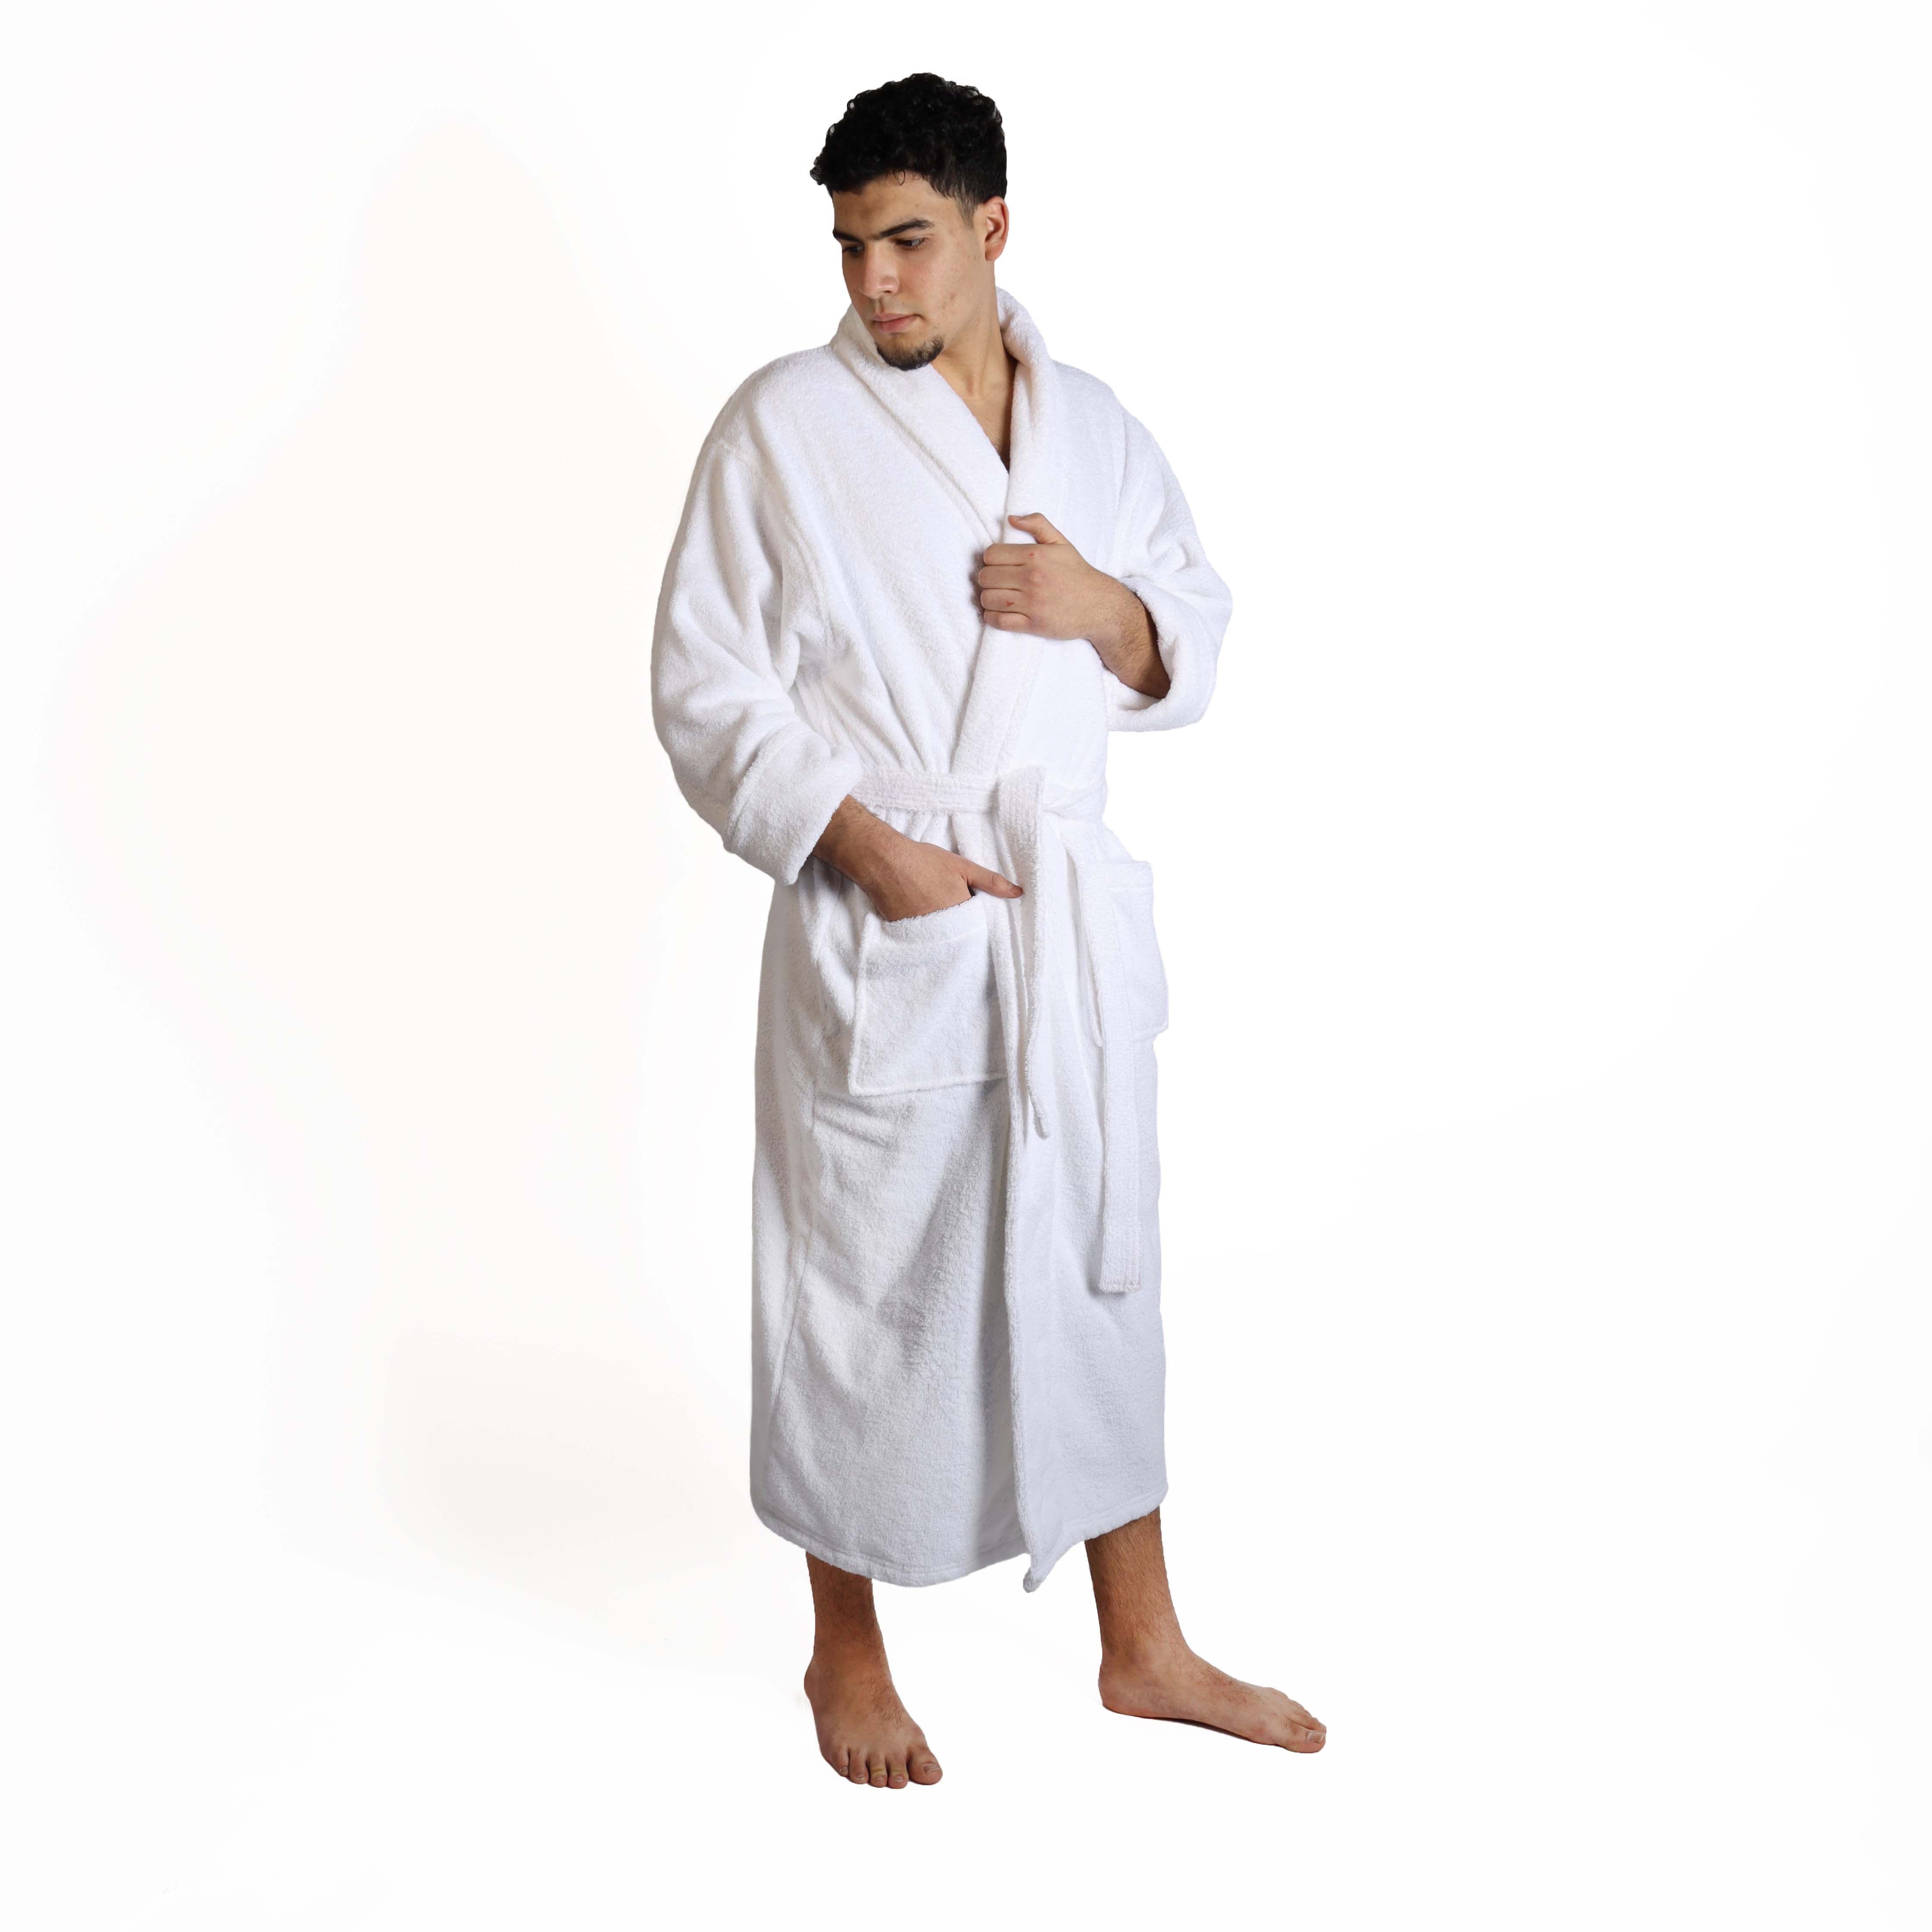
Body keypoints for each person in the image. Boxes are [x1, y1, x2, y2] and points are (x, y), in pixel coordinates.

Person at [651, 72, 1324, 1787]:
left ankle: (1142, 1644)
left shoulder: (1093, 427)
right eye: (849, 246)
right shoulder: (781, 426)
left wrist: (1105, 607)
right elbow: (704, 682)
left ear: (992, 227)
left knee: (1099, 1271)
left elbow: (1190, 625)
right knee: (859, 1280)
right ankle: (844, 1646)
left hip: (1061, 930)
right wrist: (871, 851)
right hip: (892, 912)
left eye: (907, 240)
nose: (873, 279)